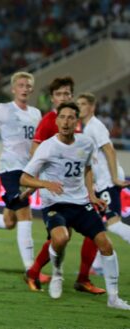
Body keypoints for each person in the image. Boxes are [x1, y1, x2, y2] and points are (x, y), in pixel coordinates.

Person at [20, 102, 130, 310]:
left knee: (106, 245)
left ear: (76, 122)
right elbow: (25, 178)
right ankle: (57, 274)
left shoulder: (85, 143)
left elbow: (87, 167)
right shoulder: (48, 147)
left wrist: (91, 194)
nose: (66, 121)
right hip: (55, 203)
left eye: (71, 117)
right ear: (57, 120)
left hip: (80, 204)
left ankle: (114, 299)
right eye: (62, 117)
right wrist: (45, 184)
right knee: (61, 238)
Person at [25, 77, 104, 294]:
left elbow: (84, 163)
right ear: (52, 98)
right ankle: (38, 273)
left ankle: (80, 278)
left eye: (67, 94)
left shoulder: (75, 122)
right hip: (56, 192)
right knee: (60, 237)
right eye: (59, 94)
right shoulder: (50, 120)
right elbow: (36, 149)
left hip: (75, 192)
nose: (63, 97)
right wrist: (39, 180)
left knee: (90, 231)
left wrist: (91, 190)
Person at [0, 72, 44, 278]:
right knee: (25, 213)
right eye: (20, 85)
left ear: (31, 90)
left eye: (28, 85)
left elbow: (36, 145)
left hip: (28, 170)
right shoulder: (2, 110)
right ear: (14, 89)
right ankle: (31, 270)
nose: (24, 88)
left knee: (9, 221)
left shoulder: (36, 114)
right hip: (9, 169)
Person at [78, 92, 130, 270]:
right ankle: (97, 266)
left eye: (83, 104)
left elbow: (110, 150)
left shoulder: (95, 126)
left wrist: (114, 178)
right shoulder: (85, 128)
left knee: (112, 224)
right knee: (97, 225)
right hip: (101, 182)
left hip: (109, 181)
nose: (80, 107)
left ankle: (97, 265)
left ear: (92, 107)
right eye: (78, 104)